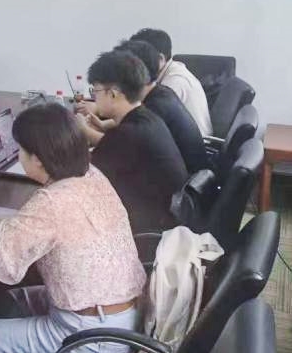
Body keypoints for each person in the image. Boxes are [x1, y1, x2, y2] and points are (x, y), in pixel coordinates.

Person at [0, 103, 145, 353]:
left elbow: (1, 261)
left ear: (37, 159)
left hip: (89, 339)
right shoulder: (92, 175)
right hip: (123, 320)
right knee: (14, 301)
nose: (18, 156)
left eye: (20, 151)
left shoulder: (50, 202)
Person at [78, 50, 188, 232]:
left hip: (147, 230)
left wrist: (75, 132)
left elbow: (84, 180)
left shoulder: (126, 134)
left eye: (95, 91)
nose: (94, 98)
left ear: (113, 94)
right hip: (165, 217)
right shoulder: (148, 118)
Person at [116, 39, 210, 174]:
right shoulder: (162, 92)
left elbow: (126, 148)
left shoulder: (155, 107)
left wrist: (88, 132)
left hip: (185, 179)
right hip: (190, 175)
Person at [128, 28, 213, 137]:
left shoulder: (175, 82)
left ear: (160, 58)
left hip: (197, 143)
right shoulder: (169, 71)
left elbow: (145, 122)